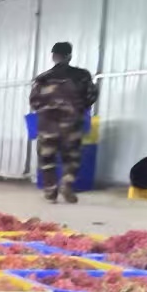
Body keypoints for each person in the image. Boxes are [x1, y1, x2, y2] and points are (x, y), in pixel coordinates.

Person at [30, 40, 98, 203]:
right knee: (72, 156)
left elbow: (34, 102)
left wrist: (46, 110)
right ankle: (67, 183)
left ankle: (50, 190)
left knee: (47, 157)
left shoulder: (42, 78)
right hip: (72, 122)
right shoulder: (82, 76)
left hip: (47, 124)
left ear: (53, 56)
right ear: (69, 56)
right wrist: (79, 108)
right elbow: (91, 95)